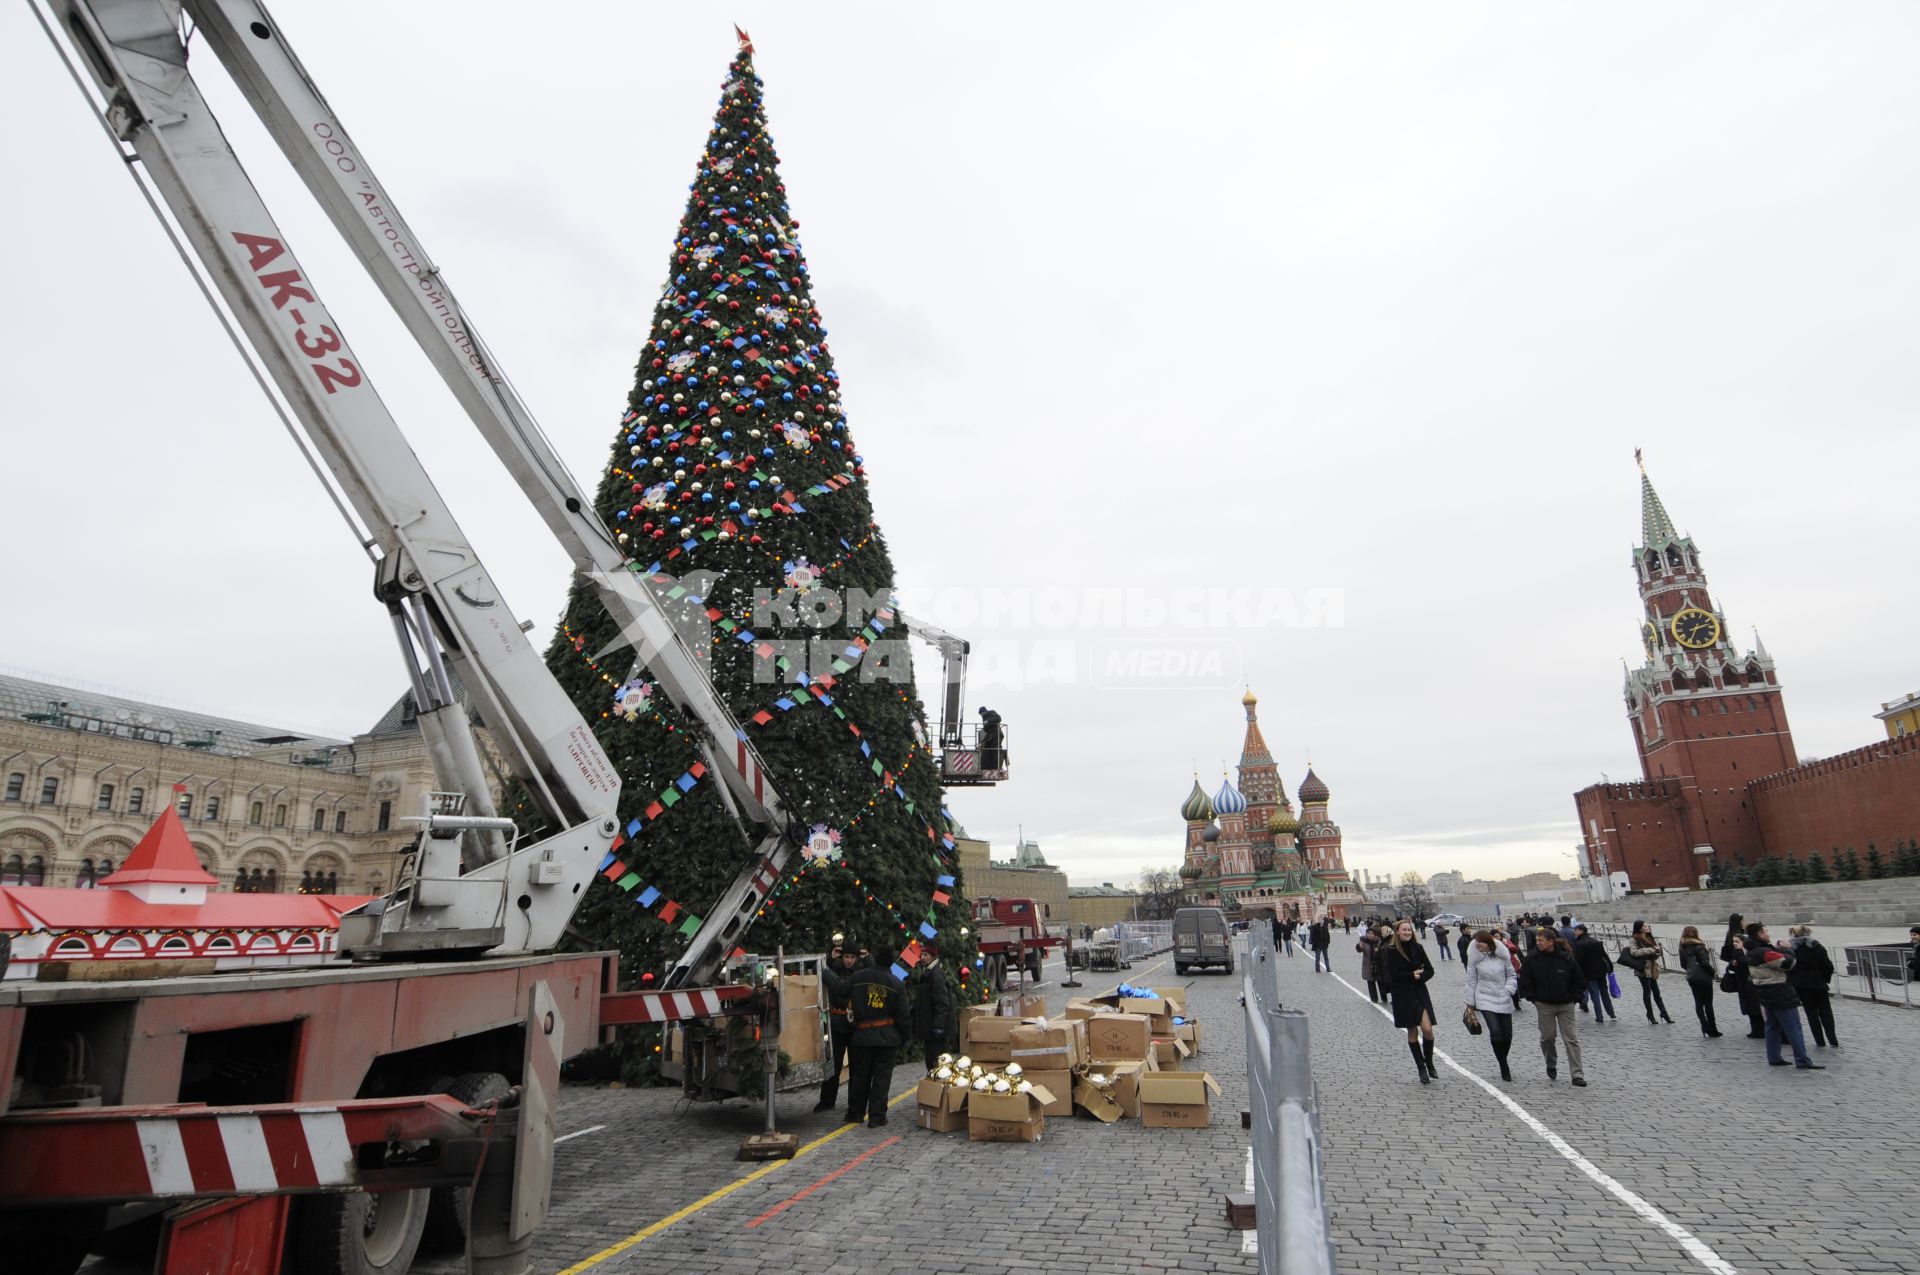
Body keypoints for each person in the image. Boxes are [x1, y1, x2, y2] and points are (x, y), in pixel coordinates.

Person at [1743, 923, 1822, 1071]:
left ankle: (1774, 1057)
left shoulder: (1752, 950)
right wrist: (1787, 949)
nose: (1768, 934)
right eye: (1766, 931)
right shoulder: (1763, 952)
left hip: (1765, 992)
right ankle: (1802, 1060)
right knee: (1793, 1027)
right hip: (1780, 992)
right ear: (1760, 934)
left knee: (1772, 1026)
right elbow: (1788, 963)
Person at [844, 944, 907, 1126]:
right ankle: (876, 1116)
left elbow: (840, 990)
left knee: (860, 1076)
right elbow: (902, 1015)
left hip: (862, 1035)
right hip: (887, 1037)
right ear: (891, 962)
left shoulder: (857, 977)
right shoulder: (896, 983)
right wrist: (904, 1037)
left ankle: (855, 1113)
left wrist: (827, 971)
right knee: (881, 1077)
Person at [1517, 928, 1587, 1087]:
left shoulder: (1566, 958)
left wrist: (1575, 998)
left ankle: (1577, 1074)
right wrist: (1533, 998)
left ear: (1551, 941)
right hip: (1544, 1005)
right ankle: (1551, 1063)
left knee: (1571, 1039)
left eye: (1540, 940)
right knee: (1548, 1037)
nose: (1537, 943)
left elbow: (1579, 980)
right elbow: (1525, 980)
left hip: (1566, 1004)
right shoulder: (1531, 959)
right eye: (1537, 940)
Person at [1380, 919, 1439, 1085]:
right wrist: (1411, 975)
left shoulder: (1418, 948)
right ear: (1397, 932)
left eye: (1409, 930)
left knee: (1427, 1029)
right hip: (1402, 995)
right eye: (1404, 930)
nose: (1407, 932)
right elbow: (1392, 976)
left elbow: (1430, 970)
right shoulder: (1391, 950)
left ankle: (1429, 1061)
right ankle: (1421, 1067)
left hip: (1419, 993)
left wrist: (1420, 976)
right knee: (1412, 1032)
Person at [1464, 930, 1520, 1081]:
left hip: (1503, 997)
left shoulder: (1503, 957)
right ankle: (1503, 1065)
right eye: (1475, 943)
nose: (1477, 945)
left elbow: (1511, 975)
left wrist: (1508, 990)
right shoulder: (1475, 960)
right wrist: (1470, 1003)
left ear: (1488, 943)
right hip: (1484, 998)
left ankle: (1503, 1057)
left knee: (1507, 1035)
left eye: (1480, 942)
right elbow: (1471, 981)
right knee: (1496, 1032)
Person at [815, 938, 858, 1112]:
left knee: (856, 1066)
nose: (849, 960)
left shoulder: (860, 971)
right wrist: (830, 959)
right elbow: (817, 970)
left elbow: (872, 968)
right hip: (836, 1022)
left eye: (852, 957)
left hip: (854, 1024)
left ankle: (854, 1103)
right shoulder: (834, 968)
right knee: (834, 1064)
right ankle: (827, 1100)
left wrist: (867, 958)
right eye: (846, 956)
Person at [1786, 925, 1838, 1049]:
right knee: (1826, 1012)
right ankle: (1833, 1039)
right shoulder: (1817, 946)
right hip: (1818, 984)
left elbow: (1789, 968)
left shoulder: (1791, 949)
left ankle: (1819, 1041)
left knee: (1811, 1013)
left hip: (1801, 986)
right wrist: (1824, 978)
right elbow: (1828, 966)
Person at [910, 950, 957, 1072]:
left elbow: (941, 1001)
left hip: (934, 1028)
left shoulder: (936, 973)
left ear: (933, 956)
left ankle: (936, 1087)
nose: (922, 957)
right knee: (931, 1061)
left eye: (926, 955)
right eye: (922, 954)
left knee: (935, 1061)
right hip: (929, 1026)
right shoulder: (928, 972)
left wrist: (938, 1026)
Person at [1722, 912, 1766, 1038]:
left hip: (1747, 976)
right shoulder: (1736, 940)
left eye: (1737, 941)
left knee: (1753, 1002)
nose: (1735, 943)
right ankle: (1757, 1028)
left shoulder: (1743, 942)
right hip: (1742, 976)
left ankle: (1759, 1028)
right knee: (1750, 1002)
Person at [1625, 921, 1675, 1025]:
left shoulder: (1649, 938)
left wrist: (1657, 951)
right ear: (1640, 928)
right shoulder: (1634, 939)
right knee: (1647, 992)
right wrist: (1651, 950)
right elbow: (1634, 952)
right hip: (1642, 969)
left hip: (1652, 968)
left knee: (1657, 992)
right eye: (1645, 926)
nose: (1647, 927)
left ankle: (1664, 1013)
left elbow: (1657, 952)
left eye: (1647, 926)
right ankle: (1650, 1014)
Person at [1677, 925, 1722, 1037]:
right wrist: (1712, 972)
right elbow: (1705, 963)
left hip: (1692, 978)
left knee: (1698, 1003)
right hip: (1704, 978)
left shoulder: (1682, 947)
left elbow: (1683, 964)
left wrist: (1691, 970)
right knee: (1708, 1004)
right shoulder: (1699, 946)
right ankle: (1713, 1028)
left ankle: (1704, 1026)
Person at [1569, 925, 1617, 1023]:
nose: (1574, 932)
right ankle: (1611, 1013)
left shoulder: (1579, 944)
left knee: (1595, 994)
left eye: (1576, 930)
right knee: (1604, 993)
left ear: (1580, 931)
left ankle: (1599, 1016)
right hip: (1601, 971)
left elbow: (1579, 960)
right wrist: (1610, 968)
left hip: (1589, 973)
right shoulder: (1595, 941)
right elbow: (1604, 955)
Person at [1356, 925, 1384, 1003]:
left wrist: (1378, 950)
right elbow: (1359, 950)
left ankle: (1384, 997)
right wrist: (1359, 947)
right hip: (1368, 965)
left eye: (1372, 933)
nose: (1370, 935)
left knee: (1380, 982)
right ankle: (1374, 999)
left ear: (1374, 934)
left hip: (1378, 964)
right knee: (1370, 982)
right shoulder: (1363, 941)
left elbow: (1383, 951)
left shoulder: (1379, 941)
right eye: (1368, 933)